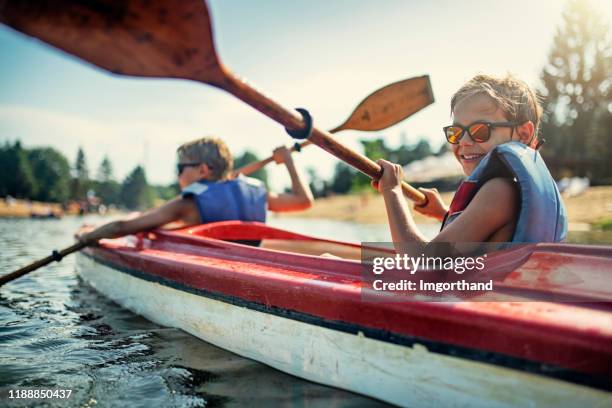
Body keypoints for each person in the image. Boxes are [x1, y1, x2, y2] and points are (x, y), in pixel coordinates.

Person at [373, 74, 567, 253]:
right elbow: (487, 236)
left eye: (480, 130)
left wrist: (392, 190)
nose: (464, 141)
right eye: (455, 133)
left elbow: (424, 262)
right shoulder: (507, 191)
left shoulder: (500, 191)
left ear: (523, 134)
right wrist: (445, 214)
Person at [77, 137, 313, 243]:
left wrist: (88, 235)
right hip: (252, 265)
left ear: (202, 170)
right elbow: (303, 201)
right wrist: (289, 162)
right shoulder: (256, 194)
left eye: (181, 167)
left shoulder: (186, 205)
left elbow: (122, 227)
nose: (177, 174)